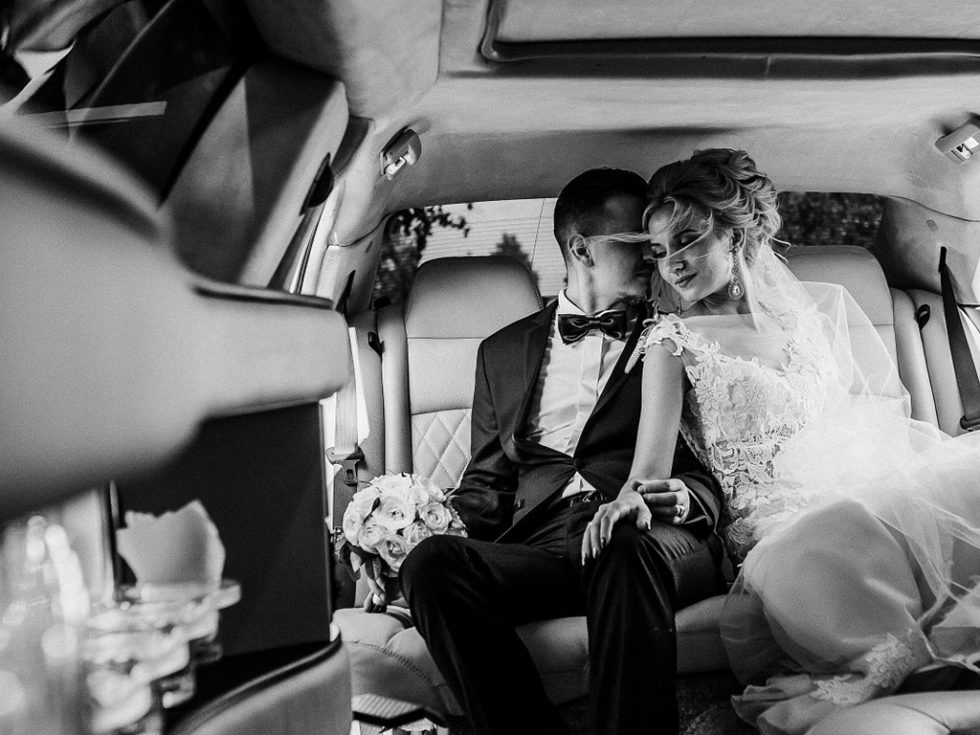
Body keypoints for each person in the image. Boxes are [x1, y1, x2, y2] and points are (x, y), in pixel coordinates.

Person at [584, 148, 980, 735]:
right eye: (660, 252)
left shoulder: (805, 319)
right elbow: (648, 469)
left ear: (735, 236)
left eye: (688, 241)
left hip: (854, 489)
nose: (672, 265)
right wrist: (625, 499)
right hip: (776, 528)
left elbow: (846, 419)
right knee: (839, 531)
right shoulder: (672, 341)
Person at [398, 167, 726, 735]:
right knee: (431, 564)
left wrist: (686, 499)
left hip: (650, 538)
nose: (653, 254)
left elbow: (717, 460)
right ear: (581, 248)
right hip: (544, 549)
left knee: (625, 544)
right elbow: (486, 486)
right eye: (636, 241)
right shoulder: (501, 352)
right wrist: (403, 539)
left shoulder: (677, 335)